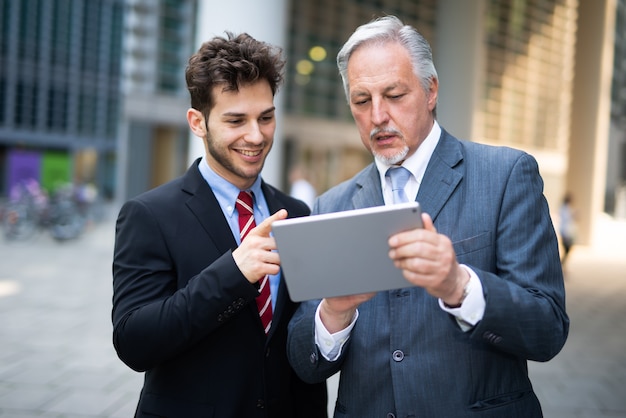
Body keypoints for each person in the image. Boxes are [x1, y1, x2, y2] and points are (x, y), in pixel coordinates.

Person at [287, 16, 569, 417]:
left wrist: (459, 285)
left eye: (395, 94)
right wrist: (333, 313)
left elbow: (548, 330)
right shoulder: (330, 206)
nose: (378, 116)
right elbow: (305, 364)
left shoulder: (506, 176)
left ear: (431, 90)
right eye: (362, 101)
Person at [112, 32, 327, 417]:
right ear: (198, 122)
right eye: (235, 120)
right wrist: (233, 273)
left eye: (266, 117)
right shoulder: (149, 214)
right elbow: (134, 342)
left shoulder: (296, 212)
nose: (256, 136)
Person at [558, 192, 576, 265]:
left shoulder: (567, 207)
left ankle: (563, 264)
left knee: (567, 248)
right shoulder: (564, 208)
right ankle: (561, 264)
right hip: (565, 231)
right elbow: (566, 218)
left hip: (567, 230)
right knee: (566, 248)